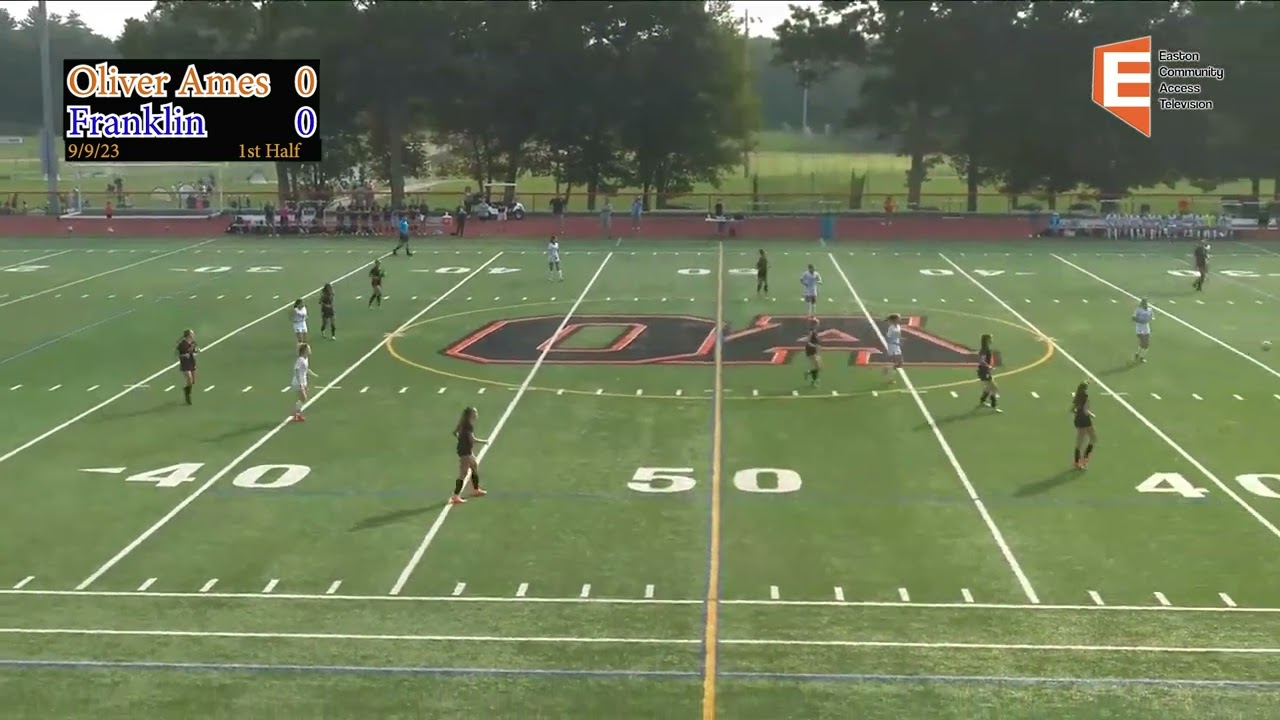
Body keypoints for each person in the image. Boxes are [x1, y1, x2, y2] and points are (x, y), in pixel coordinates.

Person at [450, 406, 489, 505]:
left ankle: (475, 489)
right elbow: (472, 439)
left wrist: (461, 440)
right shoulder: (468, 426)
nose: (476, 414)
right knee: (463, 473)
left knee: (474, 465)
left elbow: (455, 433)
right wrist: (484, 441)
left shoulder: (463, 424)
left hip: (466, 450)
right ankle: (455, 496)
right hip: (465, 452)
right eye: (475, 413)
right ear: (470, 415)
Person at [290, 342, 318, 422]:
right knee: (303, 398)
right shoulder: (300, 360)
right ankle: (296, 413)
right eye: (308, 349)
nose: (310, 350)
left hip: (304, 381)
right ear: (305, 350)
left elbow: (306, 369)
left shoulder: (306, 359)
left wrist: (313, 374)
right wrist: (300, 384)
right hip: (299, 382)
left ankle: (297, 414)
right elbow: (296, 370)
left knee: (302, 399)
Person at [1071, 382, 1096, 469]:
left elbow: (1073, 409)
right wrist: (1091, 414)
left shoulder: (1077, 397)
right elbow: (1086, 411)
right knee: (1093, 439)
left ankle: (1077, 462)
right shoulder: (1086, 397)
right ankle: (1084, 460)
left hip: (1078, 420)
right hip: (1085, 420)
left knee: (1079, 442)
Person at [977, 333, 1000, 412]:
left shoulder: (986, 348)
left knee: (988, 388)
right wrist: (989, 366)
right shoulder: (984, 350)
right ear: (987, 340)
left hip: (984, 371)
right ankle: (994, 406)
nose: (992, 340)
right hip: (984, 371)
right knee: (994, 388)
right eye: (990, 338)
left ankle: (982, 401)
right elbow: (981, 361)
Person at [176, 329, 198, 406]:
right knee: (189, 379)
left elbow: (193, 350)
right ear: (189, 335)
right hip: (185, 363)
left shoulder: (193, 342)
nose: (193, 335)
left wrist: (196, 350)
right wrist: (184, 355)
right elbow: (177, 354)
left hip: (192, 361)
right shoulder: (182, 344)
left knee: (193, 381)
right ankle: (187, 396)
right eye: (192, 334)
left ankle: (186, 389)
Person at [883, 313, 904, 379]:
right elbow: (888, 339)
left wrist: (901, 339)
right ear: (895, 319)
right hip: (892, 346)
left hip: (897, 346)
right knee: (896, 362)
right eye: (898, 318)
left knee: (900, 363)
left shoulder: (898, 326)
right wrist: (895, 343)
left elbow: (899, 335)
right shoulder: (891, 328)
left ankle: (887, 368)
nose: (900, 319)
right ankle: (890, 378)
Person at [1133, 298, 1153, 362]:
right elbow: (1133, 318)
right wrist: (1140, 320)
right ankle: (1141, 357)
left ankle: (1138, 355)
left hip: (1146, 328)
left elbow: (1151, 317)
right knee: (1144, 343)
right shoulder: (1138, 310)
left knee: (1145, 344)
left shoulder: (1150, 310)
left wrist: (1149, 319)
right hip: (1139, 328)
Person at [803, 318, 821, 387]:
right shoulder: (811, 331)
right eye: (817, 323)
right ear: (815, 324)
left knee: (818, 366)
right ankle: (814, 381)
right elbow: (808, 341)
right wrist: (814, 346)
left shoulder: (815, 331)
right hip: (810, 350)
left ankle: (809, 373)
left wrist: (818, 345)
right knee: (816, 365)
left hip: (814, 349)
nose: (818, 325)